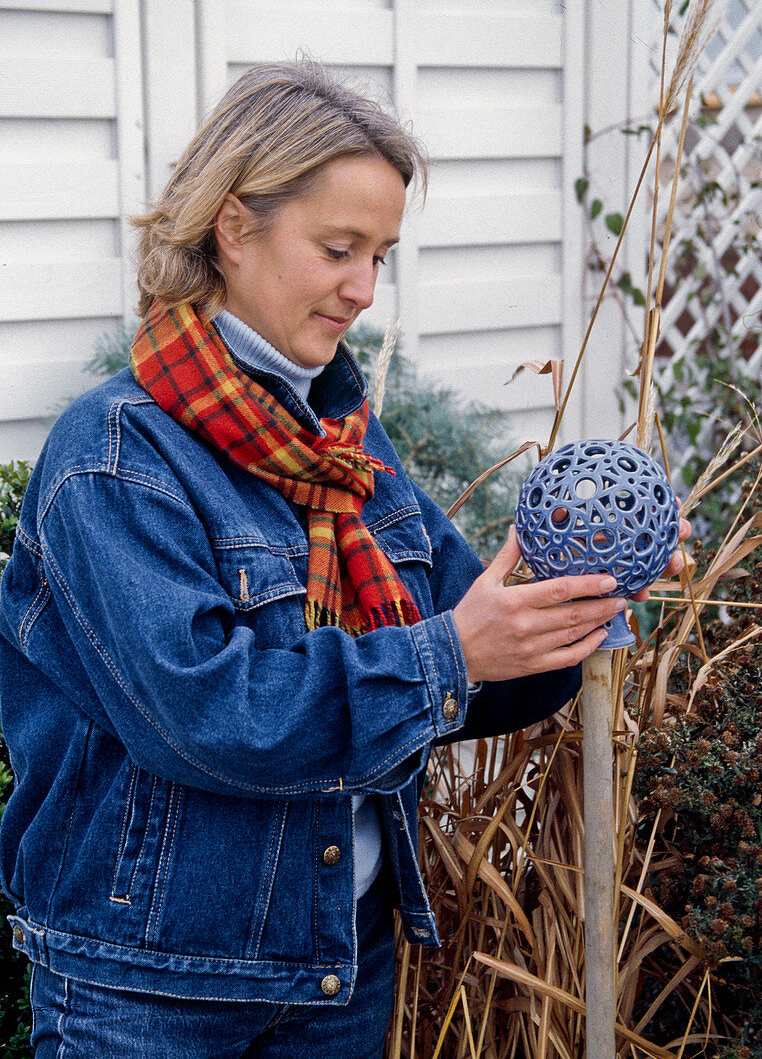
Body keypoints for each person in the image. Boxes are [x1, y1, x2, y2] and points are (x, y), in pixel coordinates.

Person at [0, 60, 689, 1058]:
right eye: (338, 248)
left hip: (338, 966)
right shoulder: (115, 457)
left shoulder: (346, 446)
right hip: (148, 986)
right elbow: (209, 718)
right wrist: (451, 652)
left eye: (382, 255)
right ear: (234, 227)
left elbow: (473, 675)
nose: (363, 289)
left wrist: (577, 597)